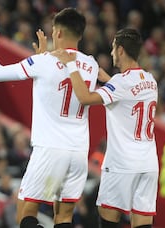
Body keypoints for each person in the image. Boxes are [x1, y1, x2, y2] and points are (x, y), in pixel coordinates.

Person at [0, 8, 99, 228]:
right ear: (80, 35)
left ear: (58, 33)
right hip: (78, 152)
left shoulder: (43, 62)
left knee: (25, 213)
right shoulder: (92, 65)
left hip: (50, 151)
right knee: (64, 216)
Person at [53, 28, 159, 228]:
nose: (111, 53)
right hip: (148, 164)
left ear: (120, 50)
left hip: (122, 164)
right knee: (143, 222)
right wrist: (107, 79)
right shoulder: (150, 81)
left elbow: (85, 98)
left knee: (108, 217)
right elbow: (129, 96)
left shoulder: (120, 83)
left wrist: (71, 66)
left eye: (112, 48)